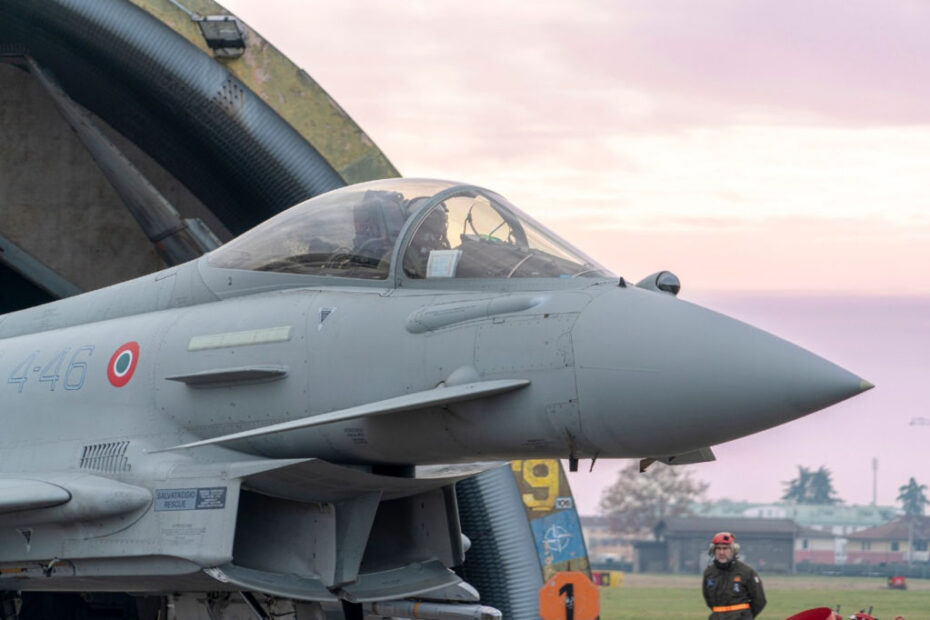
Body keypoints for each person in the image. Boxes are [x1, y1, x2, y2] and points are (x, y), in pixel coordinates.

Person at [702, 532, 766, 619]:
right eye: (718, 549)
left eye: (725, 549)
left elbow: (759, 600)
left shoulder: (746, 572)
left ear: (733, 550)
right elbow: (708, 599)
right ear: (713, 550)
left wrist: (745, 616)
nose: (721, 552)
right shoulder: (709, 573)